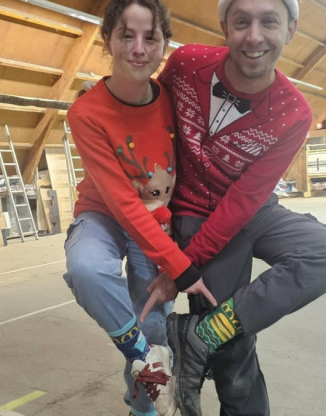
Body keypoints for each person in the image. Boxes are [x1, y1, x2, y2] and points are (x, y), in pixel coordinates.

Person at [141, 0, 326, 415]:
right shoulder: (187, 64)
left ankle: (202, 334)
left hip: (251, 207)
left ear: (290, 29)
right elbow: (151, 116)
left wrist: (184, 267)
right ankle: (215, 337)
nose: (254, 37)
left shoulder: (294, 111)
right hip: (194, 211)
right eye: (242, 22)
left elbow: (245, 200)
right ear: (225, 27)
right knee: (234, 354)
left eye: (269, 22)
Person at [62, 1, 216, 416]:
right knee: (87, 269)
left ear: (164, 43)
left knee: (152, 322)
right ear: (107, 40)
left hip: (157, 219)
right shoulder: (86, 112)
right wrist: (180, 266)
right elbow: (121, 201)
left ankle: (144, 407)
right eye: (126, 35)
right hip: (104, 213)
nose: (138, 48)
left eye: (151, 37)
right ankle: (143, 357)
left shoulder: (172, 100)